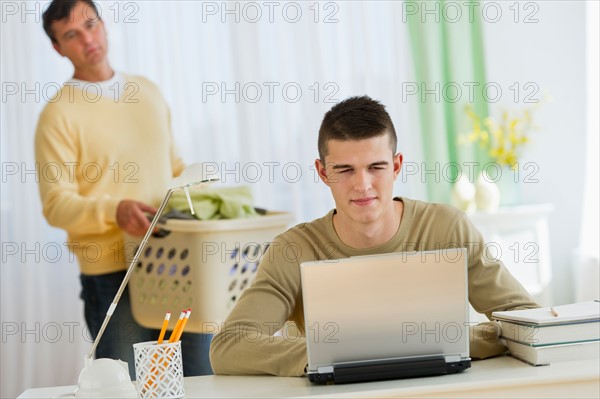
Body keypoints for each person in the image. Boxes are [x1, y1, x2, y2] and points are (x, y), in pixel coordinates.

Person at [209, 95, 539, 376]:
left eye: (376, 167)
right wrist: (330, 355)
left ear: (396, 166)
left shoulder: (446, 227)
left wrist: (456, 342)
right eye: (345, 169)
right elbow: (230, 346)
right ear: (323, 172)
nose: (363, 185)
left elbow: (529, 321)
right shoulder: (294, 249)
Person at [35, 0, 212, 377]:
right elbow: (56, 204)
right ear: (57, 48)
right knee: (127, 387)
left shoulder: (147, 91)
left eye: (91, 25)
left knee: (200, 380)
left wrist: (207, 201)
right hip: (112, 274)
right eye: (72, 34)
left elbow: (174, 170)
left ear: (104, 24)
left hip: (175, 263)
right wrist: (114, 211)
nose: (88, 38)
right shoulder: (57, 115)